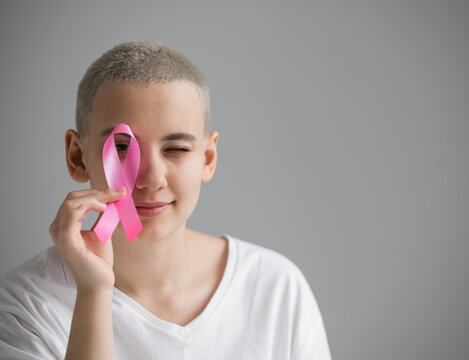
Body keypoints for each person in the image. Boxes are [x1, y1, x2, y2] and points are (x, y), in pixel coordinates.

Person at [0, 41, 332, 359]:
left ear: (207, 158)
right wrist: (93, 292)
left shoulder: (275, 289)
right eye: (122, 148)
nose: (151, 179)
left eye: (176, 149)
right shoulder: (25, 303)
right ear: (77, 156)